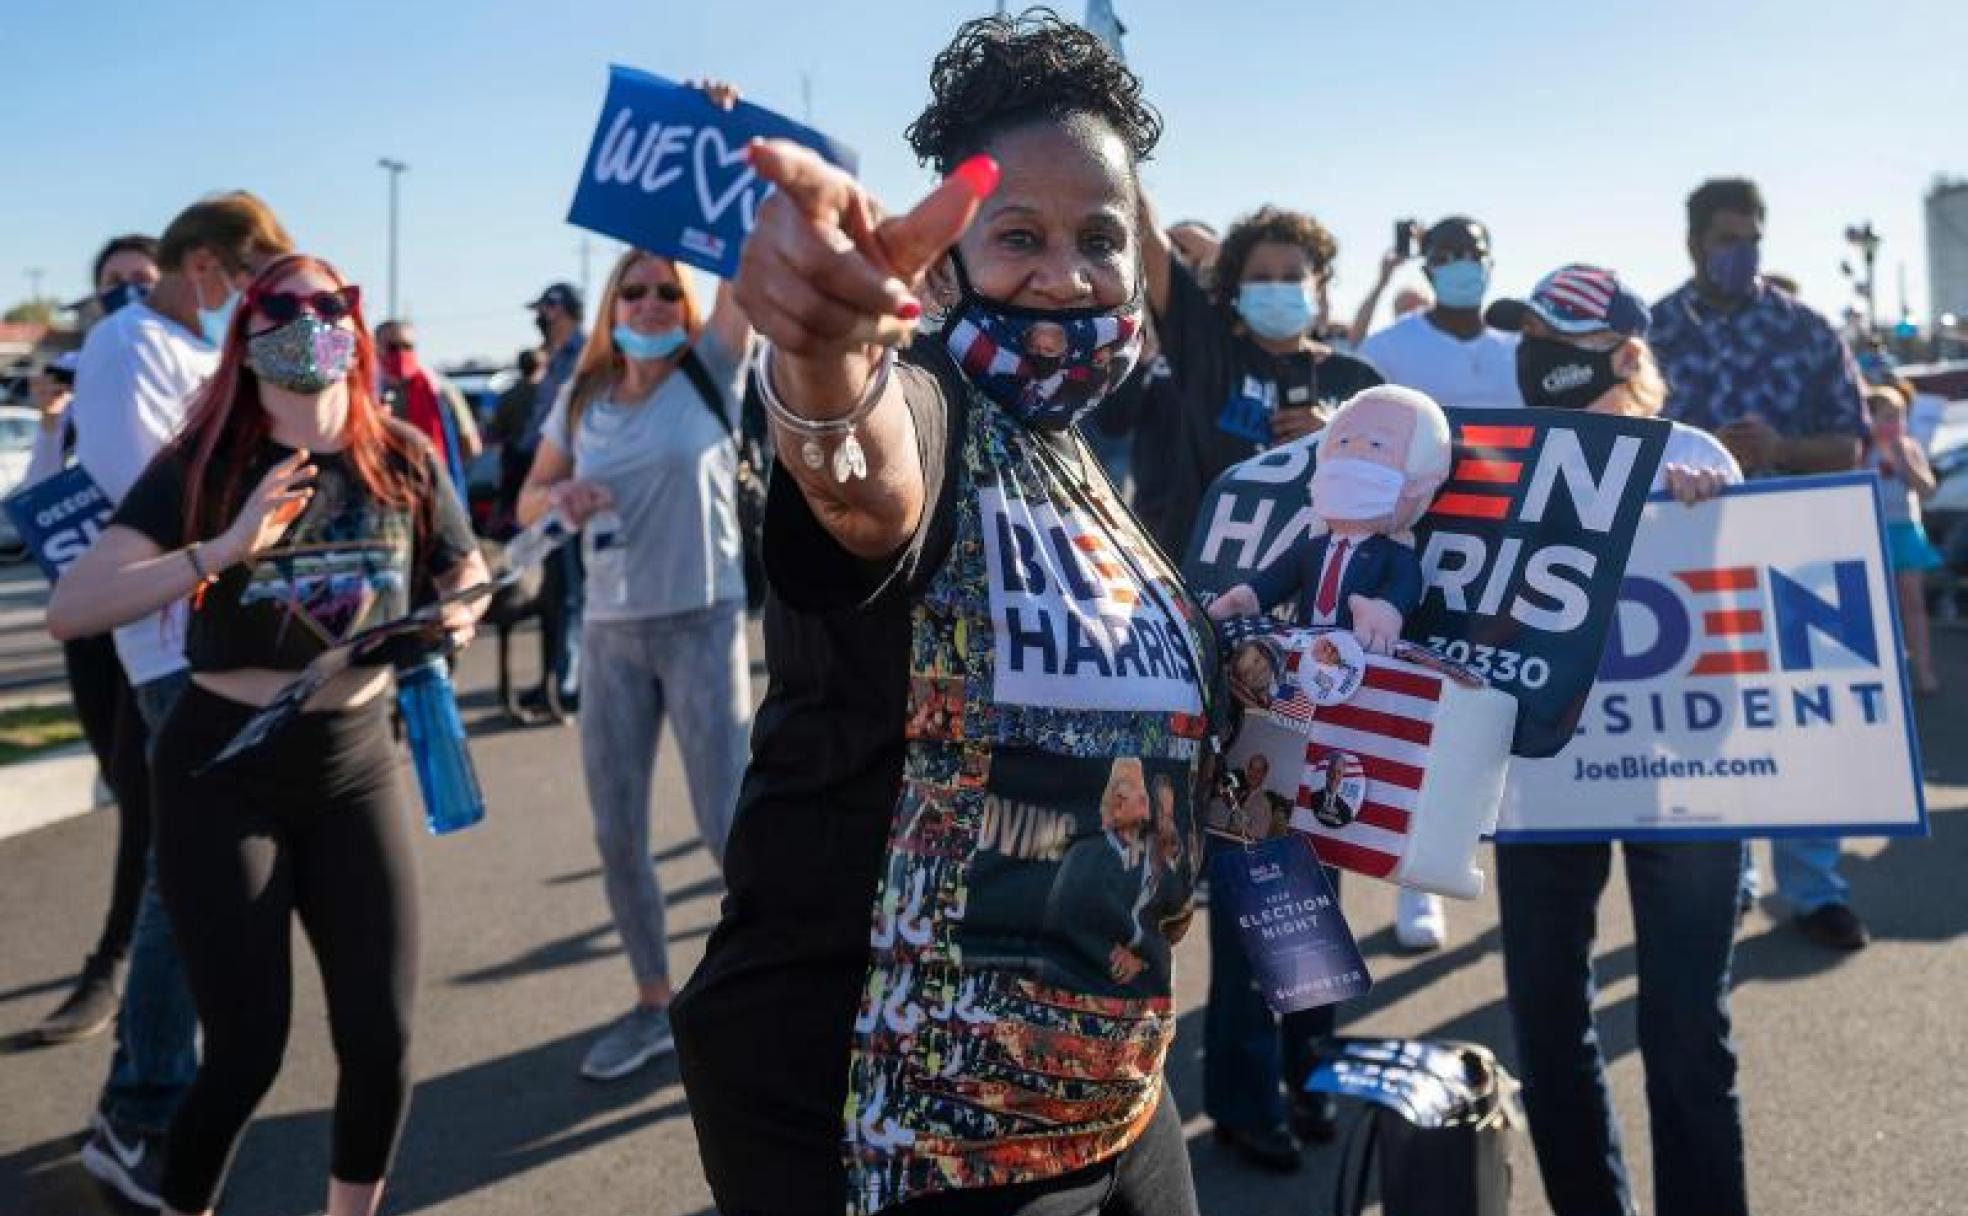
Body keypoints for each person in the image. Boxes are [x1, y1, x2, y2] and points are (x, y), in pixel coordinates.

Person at [672, 15, 1245, 1213]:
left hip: (1116, 1090)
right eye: (1019, 235)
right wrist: (821, 358)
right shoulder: (930, 402)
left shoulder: (1082, 461)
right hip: (884, 1113)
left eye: (1100, 237)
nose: (1066, 273)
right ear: (945, 263)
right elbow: (867, 479)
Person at [48, 252, 488, 1216]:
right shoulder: (205, 464)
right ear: (246, 335)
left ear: (356, 325)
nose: (310, 321)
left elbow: (463, 572)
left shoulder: (400, 453)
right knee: (247, 1051)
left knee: (382, 1041)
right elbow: (73, 606)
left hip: (356, 763)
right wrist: (223, 548)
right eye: (283, 306)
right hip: (222, 769)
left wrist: (455, 617)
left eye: (331, 304)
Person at [1487, 263, 1748, 1216]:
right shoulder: (1499, 462)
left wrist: (1709, 518)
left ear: (1627, 354)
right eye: (1529, 335)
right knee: (1548, 1024)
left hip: (1683, 780)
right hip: (1544, 778)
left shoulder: (1698, 453)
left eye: (1562, 339)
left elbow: (1741, 611)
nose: (1538, 355)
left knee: (1686, 1028)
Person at [67, 192, 294, 1210]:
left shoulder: (187, 347)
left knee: (191, 872)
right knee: (179, 877)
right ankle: (141, 1106)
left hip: (225, 643)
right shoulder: (127, 346)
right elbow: (143, 494)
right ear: (200, 262)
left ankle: (162, 1081)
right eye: (242, 275)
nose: (245, 298)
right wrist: (250, 518)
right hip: (170, 646)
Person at [518, 147, 755, 1082]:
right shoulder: (580, 399)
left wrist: (714, 141)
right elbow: (530, 499)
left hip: (703, 623)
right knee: (616, 833)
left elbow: (740, 256)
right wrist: (560, 497)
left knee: (726, 828)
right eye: (635, 293)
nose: (652, 305)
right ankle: (655, 1002)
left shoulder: (713, 368)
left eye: (665, 292)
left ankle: (756, 993)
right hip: (611, 636)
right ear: (611, 309)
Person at [1650, 177, 1873, 951]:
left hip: (1794, 557)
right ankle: (1728, 879)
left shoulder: (1807, 332)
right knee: (1714, 726)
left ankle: (1815, 891)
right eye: (1724, 239)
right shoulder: (1649, 337)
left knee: (1801, 722)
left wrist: (1778, 450)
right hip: (1688, 566)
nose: (1738, 253)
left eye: (1750, 239)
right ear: (1693, 242)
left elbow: (1849, 443)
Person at [1354, 214, 1520, 951]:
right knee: (1428, 721)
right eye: (1445, 256)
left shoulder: (1521, 351)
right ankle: (1418, 889)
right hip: (1423, 557)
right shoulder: (1389, 349)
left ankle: (1516, 883)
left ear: (1490, 261)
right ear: (1427, 265)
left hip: (1517, 561)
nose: (1460, 266)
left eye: (1471, 255)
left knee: (1512, 722)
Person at [1140, 203, 1385, 569]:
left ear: (1318, 285)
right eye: (1259, 277)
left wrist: (1337, 436)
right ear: (1236, 289)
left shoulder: (1360, 381)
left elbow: (1398, 478)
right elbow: (1143, 230)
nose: (1276, 288)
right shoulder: (1209, 353)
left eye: (1291, 277)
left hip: (1321, 586)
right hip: (1207, 581)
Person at [518, 282, 588, 717]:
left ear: (561, 310)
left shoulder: (583, 356)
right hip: (549, 490)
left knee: (573, 592)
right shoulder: (558, 358)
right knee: (556, 593)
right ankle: (555, 678)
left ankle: (570, 682)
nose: (539, 319)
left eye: (544, 311)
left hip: (574, 489)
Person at [1865, 385, 1941, 692]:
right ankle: (1891, 672)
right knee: (1882, 607)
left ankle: (1923, 668)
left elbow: (1928, 490)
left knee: (1913, 603)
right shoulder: (1862, 451)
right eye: (1885, 418)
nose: (1894, 425)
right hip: (1874, 532)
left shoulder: (1909, 448)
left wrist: (1905, 464)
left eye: (1899, 417)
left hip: (1905, 531)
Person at [375, 319, 483, 492]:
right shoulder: (364, 394)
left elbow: (471, 445)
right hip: (380, 489)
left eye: (407, 346)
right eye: (393, 347)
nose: (401, 354)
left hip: (433, 489)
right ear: (376, 348)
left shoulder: (440, 390)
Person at [489, 347, 545, 527]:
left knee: (512, 504)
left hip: (514, 458)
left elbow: (495, 431)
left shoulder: (508, 396)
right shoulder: (547, 395)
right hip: (541, 458)